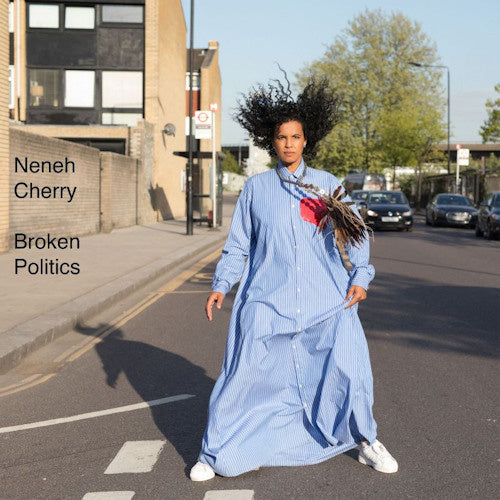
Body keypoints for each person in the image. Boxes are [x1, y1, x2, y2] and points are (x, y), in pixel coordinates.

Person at [190, 77, 398, 481]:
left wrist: (361, 276)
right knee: (242, 373)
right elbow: (238, 246)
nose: (288, 144)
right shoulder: (256, 189)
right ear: (273, 142)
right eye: (282, 137)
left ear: (306, 141)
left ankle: (366, 440)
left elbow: (357, 235)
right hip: (268, 301)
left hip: (328, 301)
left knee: (350, 371)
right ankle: (213, 453)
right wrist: (221, 285)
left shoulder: (327, 185)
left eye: (296, 136)